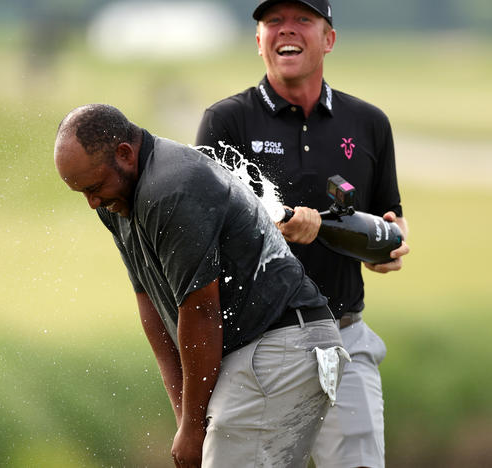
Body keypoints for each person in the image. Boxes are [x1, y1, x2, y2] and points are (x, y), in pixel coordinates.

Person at [54, 103, 348, 467]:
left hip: (280, 343)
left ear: (125, 154)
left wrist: (193, 428)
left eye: (94, 187)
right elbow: (151, 303)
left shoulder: (170, 188)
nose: (92, 202)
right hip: (259, 350)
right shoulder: (117, 201)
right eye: (82, 192)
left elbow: (200, 310)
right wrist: (184, 418)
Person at [195, 1, 410, 467]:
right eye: (273, 21)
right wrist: (276, 227)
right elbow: (205, 236)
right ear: (258, 40)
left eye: (302, 20)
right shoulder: (226, 121)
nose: (285, 30)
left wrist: (390, 241)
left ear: (328, 38)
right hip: (258, 347)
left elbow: (387, 215)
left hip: (345, 338)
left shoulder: (369, 123)